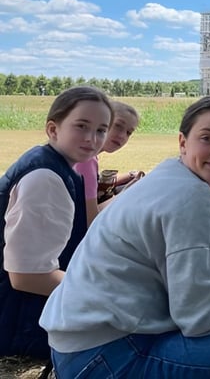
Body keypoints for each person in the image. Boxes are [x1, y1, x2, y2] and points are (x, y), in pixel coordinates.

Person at [40, 95, 210, 378]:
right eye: (207, 138)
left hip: (81, 345)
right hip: (109, 355)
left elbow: (205, 267)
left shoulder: (170, 176)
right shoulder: (190, 197)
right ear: (183, 142)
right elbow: (200, 319)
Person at [1, 86, 113, 359]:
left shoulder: (54, 166)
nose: (92, 138)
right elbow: (26, 276)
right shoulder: (45, 178)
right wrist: (103, 294)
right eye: (81, 126)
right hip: (17, 320)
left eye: (101, 129)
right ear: (53, 129)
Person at [74, 100, 141, 225]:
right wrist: (126, 194)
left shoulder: (82, 154)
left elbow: (94, 183)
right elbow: (91, 220)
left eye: (128, 132)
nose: (122, 136)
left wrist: (131, 175)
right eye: (118, 126)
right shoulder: (86, 160)